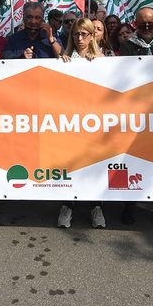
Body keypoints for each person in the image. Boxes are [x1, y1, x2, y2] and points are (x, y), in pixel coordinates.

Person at [116, 7, 153, 227]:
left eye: (152, 24)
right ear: (135, 25)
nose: (148, 29)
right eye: (143, 25)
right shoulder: (127, 47)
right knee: (133, 160)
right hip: (136, 112)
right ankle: (129, 205)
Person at [57, 18, 107, 228]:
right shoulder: (64, 60)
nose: (79, 39)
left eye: (84, 34)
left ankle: (96, 207)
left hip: (95, 123)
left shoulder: (103, 59)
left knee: (95, 166)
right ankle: (67, 206)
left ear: (92, 35)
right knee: (71, 166)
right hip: (71, 123)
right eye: (76, 34)